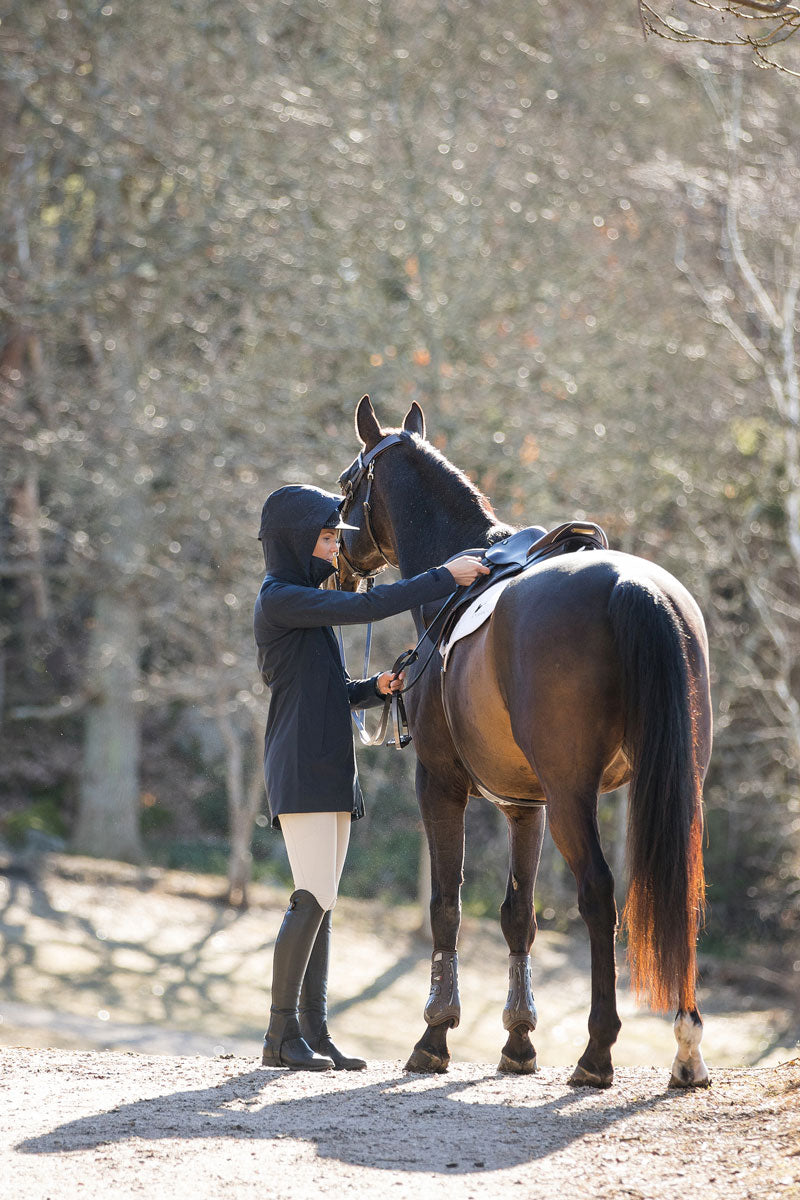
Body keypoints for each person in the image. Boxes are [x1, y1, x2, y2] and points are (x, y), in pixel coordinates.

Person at [254, 483, 489, 1071]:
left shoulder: (306, 603)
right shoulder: (280, 598)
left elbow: (328, 692)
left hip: (331, 766)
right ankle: (280, 1036)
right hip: (301, 767)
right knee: (311, 897)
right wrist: (443, 577)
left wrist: (375, 689)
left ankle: (314, 1033)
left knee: (324, 901)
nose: (336, 548)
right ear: (295, 541)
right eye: (326, 537)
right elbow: (366, 608)